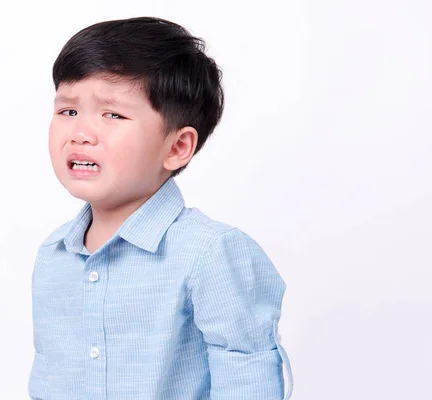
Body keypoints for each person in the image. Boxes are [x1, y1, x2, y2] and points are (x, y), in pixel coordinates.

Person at [28, 16, 293, 400]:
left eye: (112, 114)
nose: (80, 133)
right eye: (68, 111)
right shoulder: (54, 256)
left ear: (177, 147)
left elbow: (247, 383)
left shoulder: (210, 253)